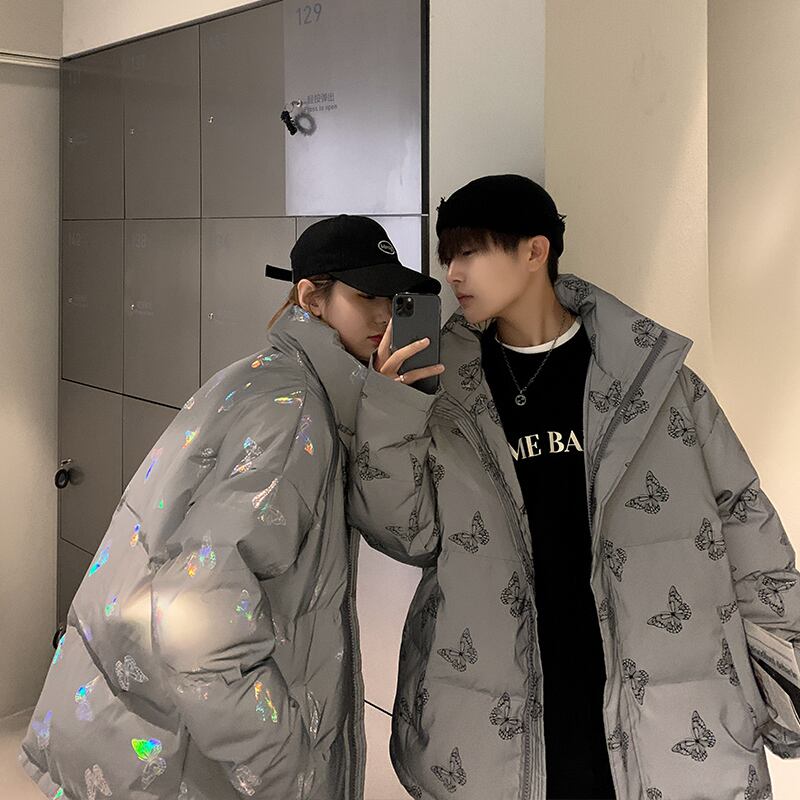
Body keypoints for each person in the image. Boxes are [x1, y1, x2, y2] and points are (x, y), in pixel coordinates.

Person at [346, 174, 800, 799]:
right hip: (504, 712)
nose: (452, 273)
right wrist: (392, 409)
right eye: (447, 256)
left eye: (469, 251)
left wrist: (780, 659)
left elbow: (743, 515)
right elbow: (405, 534)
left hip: (659, 701)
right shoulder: (440, 393)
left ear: (536, 251)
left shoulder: (655, 379)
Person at [19, 215, 439, 800]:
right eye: (366, 296)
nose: (384, 316)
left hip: (148, 733)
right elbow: (198, 621)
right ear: (312, 298)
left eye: (393, 300)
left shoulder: (269, 377)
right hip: (186, 759)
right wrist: (287, 768)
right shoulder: (294, 410)